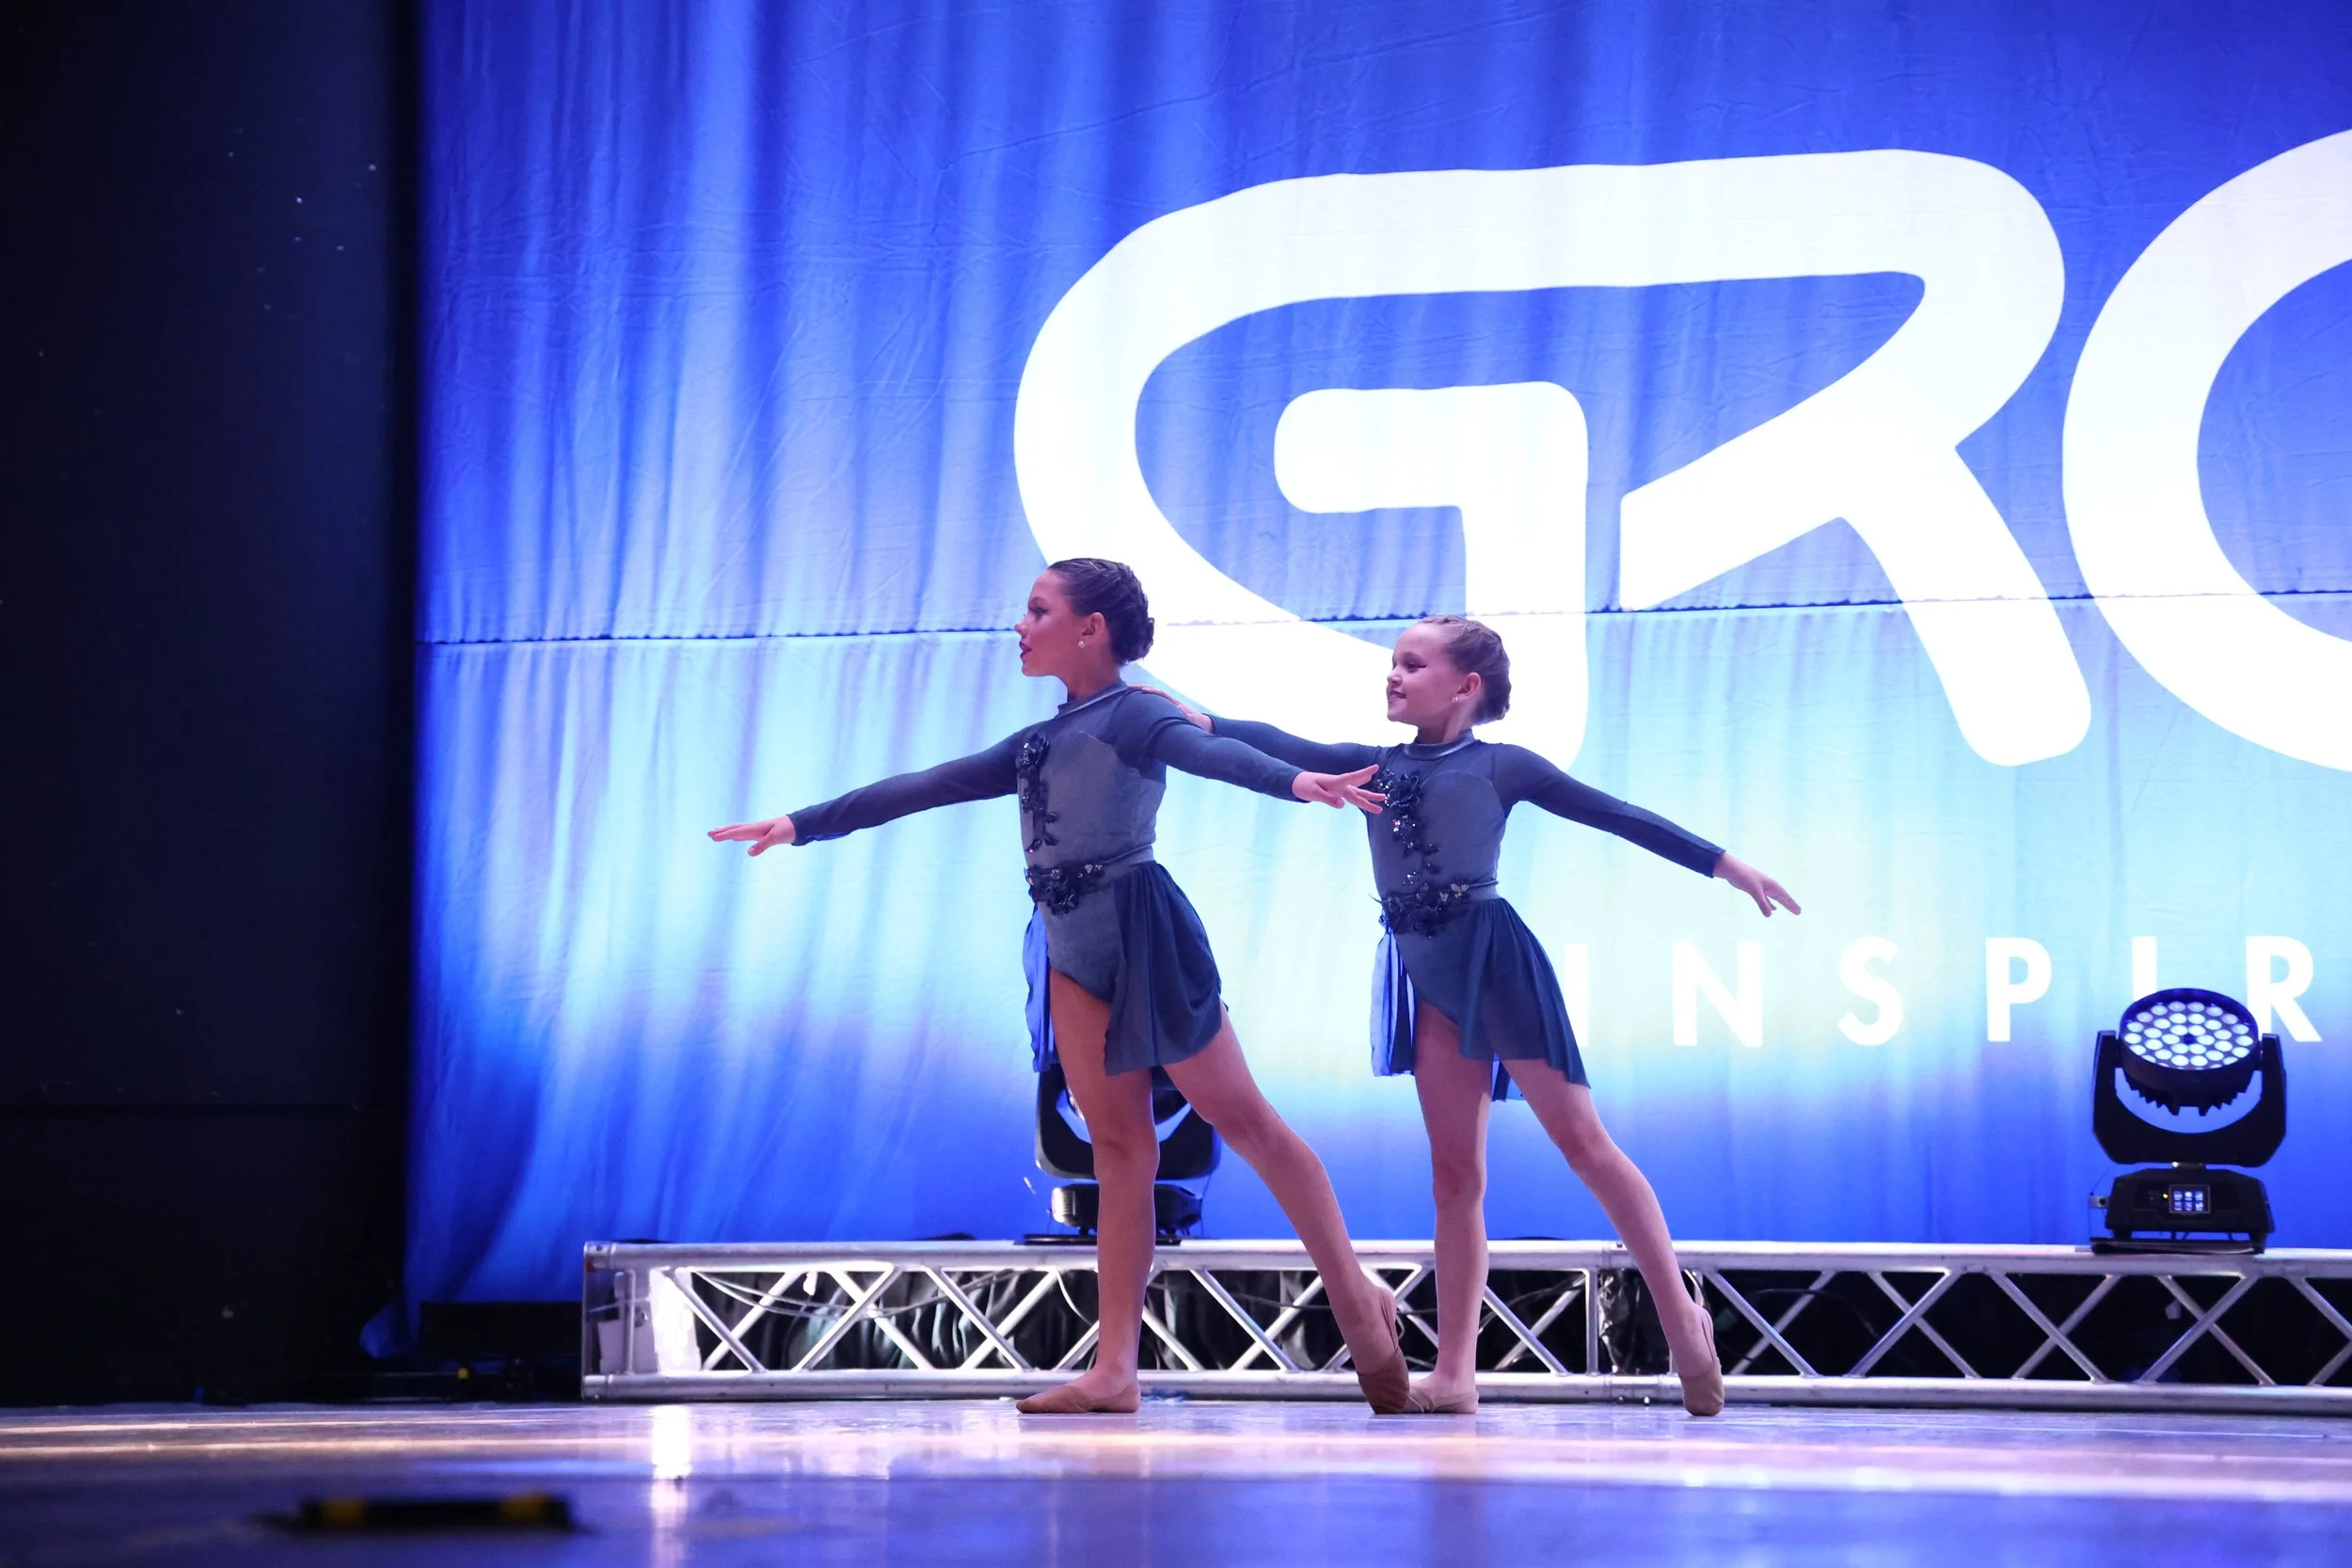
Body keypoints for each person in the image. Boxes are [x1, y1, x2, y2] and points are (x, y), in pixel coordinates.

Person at [709, 558, 1411, 1415]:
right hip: (1071, 948)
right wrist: (801, 824)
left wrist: (1294, 781)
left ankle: (1355, 1301)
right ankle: (1115, 1368)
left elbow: (1211, 752)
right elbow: (924, 787)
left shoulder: (1139, 711)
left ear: (1092, 629)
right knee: (1119, 1151)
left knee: (1248, 1123)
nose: (1019, 623)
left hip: (1146, 937)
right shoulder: (1039, 739)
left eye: (1036, 609)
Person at [1143, 615, 1798, 1417]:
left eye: (1412, 664)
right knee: (1455, 1175)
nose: (1393, 674)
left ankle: (1680, 1315)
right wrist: (1203, 723)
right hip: (1425, 971)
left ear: (1466, 686)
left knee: (1586, 1147)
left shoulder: (1501, 765)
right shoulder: (1376, 763)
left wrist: (1726, 865)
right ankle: (1455, 1371)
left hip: (1494, 962)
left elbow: (1616, 814)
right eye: (1392, 661)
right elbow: (1289, 745)